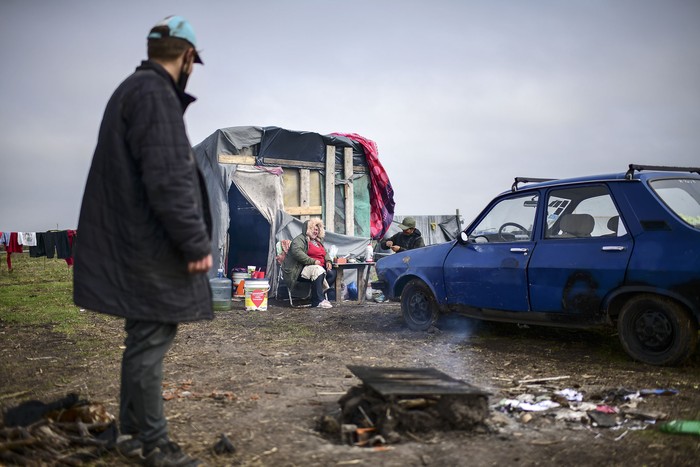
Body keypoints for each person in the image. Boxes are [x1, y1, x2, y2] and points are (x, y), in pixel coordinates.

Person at [73, 15, 211, 467]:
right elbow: (169, 178)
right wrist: (194, 243)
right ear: (187, 56)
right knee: (151, 341)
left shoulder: (132, 89)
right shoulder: (154, 95)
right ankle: (155, 445)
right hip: (151, 249)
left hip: (134, 244)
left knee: (141, 341)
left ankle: (131, 436)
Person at [281, 218, 337, 308]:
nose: (316, 231)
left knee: (332, 273)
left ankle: (317, 296)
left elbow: (324, 252)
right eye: (314, 229)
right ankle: (318, 300)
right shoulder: (300, 240)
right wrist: (313, 261)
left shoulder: (318, 241)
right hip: (299, 270)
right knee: (318, 270)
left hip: (317, 267)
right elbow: (297, 252)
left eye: (317, 229)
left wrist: (328, 261)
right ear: (308, 229)